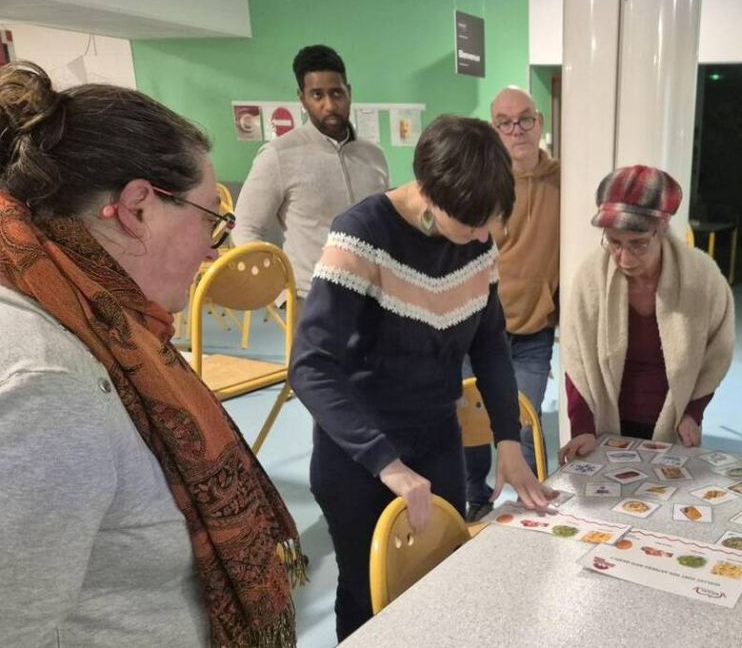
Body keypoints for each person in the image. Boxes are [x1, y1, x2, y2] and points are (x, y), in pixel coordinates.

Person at [0, 61, 303, 647]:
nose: (214, 250)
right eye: (212, 220)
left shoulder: (101, 321)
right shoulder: (45, 384)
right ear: (138, 208)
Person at [290, 115, 553, 641]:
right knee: (369, 598)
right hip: (360, 454)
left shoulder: (478, 240)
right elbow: (310, 367)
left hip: (436, 437)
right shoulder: (362, 235)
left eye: (491, 221)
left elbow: (491, 345)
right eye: (472, 224)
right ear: (430, 197)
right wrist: (386, 463)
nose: (484, 236)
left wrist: (507, 438)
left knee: (441, 583)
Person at [559, 165, 734, 462]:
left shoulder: (702, 277)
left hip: (674, 422)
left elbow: (717, 353)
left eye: (638, 244)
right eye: (614, 242)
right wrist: (582, 427)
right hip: (605, 424)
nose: (624, 258)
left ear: (662, 229)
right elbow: (576, 359)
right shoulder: (591, 277)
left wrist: (693, 412)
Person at [463, 86, 561, 521]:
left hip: (533, 333)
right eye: (505, 122)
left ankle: (534, 508)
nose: (517, 129)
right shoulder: (479, 187)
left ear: (539, 122)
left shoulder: (566, 179)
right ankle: (474, 497)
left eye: (525, 119)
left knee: (526, 426)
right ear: (493, 129)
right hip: (476, 331)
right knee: (468, 429)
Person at [232, 44, 389, 309]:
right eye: (317, 95)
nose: (329, 105)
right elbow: (244, 228)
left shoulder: (374, 157)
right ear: (302, 98)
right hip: (311, 298)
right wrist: (282, 294)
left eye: (337, 93)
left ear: (349, 93)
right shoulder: (279, 155)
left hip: (372, 297)